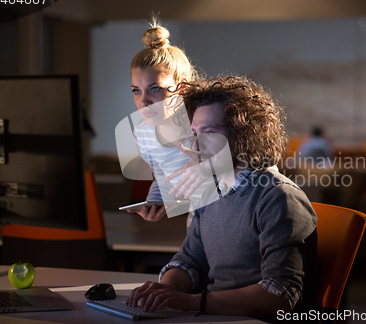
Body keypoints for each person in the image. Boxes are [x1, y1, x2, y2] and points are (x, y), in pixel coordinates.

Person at [126, 76, 318, 320]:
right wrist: (167, 289)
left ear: (243, 135)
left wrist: (190, 302)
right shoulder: (209, 190)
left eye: (208, 132)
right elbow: (191, 259)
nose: (195, 145)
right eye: (193, 133)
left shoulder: (279, 197)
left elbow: (278, 296)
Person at [124, 17, 211, 224]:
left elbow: (250, 167)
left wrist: (208, 165)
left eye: (155, 89)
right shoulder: (143, 133)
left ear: (181, 86)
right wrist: (155, 202)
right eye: (136, 91)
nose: (143, 102)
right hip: (200, 222)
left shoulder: (207, 121)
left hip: (244, 212)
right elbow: (164, 179)